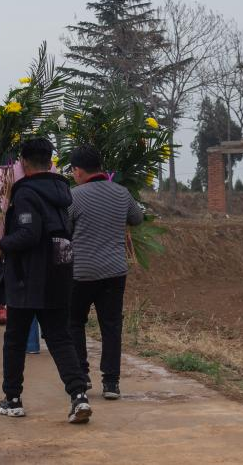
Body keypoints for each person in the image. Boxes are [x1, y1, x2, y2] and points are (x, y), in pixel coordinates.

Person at [0, 137, 90, 423]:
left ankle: (12, 398)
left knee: (16, 339)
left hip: (28, 276)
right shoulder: (62, 192)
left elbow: (28, 234)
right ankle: (78, 395)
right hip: (59, 272)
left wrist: (1, 245)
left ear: (22, 162)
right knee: (59, 337)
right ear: (50, 162)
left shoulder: (26, 194)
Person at [67, 145, 144, 401]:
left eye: (73, 170)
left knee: (74, 322)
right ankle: (111, 383)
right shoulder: (122, 193)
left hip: (82, 272)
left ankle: (82, 374)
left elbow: (64, 228)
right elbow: (137, 218)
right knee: (111, 326)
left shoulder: (74, 197)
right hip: (114, 271)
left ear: (78, 170)